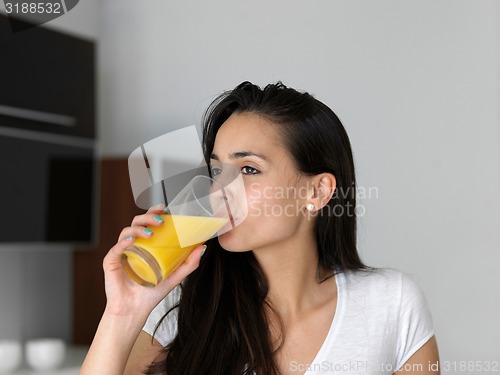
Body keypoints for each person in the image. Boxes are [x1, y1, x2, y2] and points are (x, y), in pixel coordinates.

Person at [79, 82, 440, 375]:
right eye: (217, 170)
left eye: (248, 169)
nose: (221, 190)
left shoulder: (390, 303)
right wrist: (122, 313)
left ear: (317, 191)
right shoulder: (180, 307)